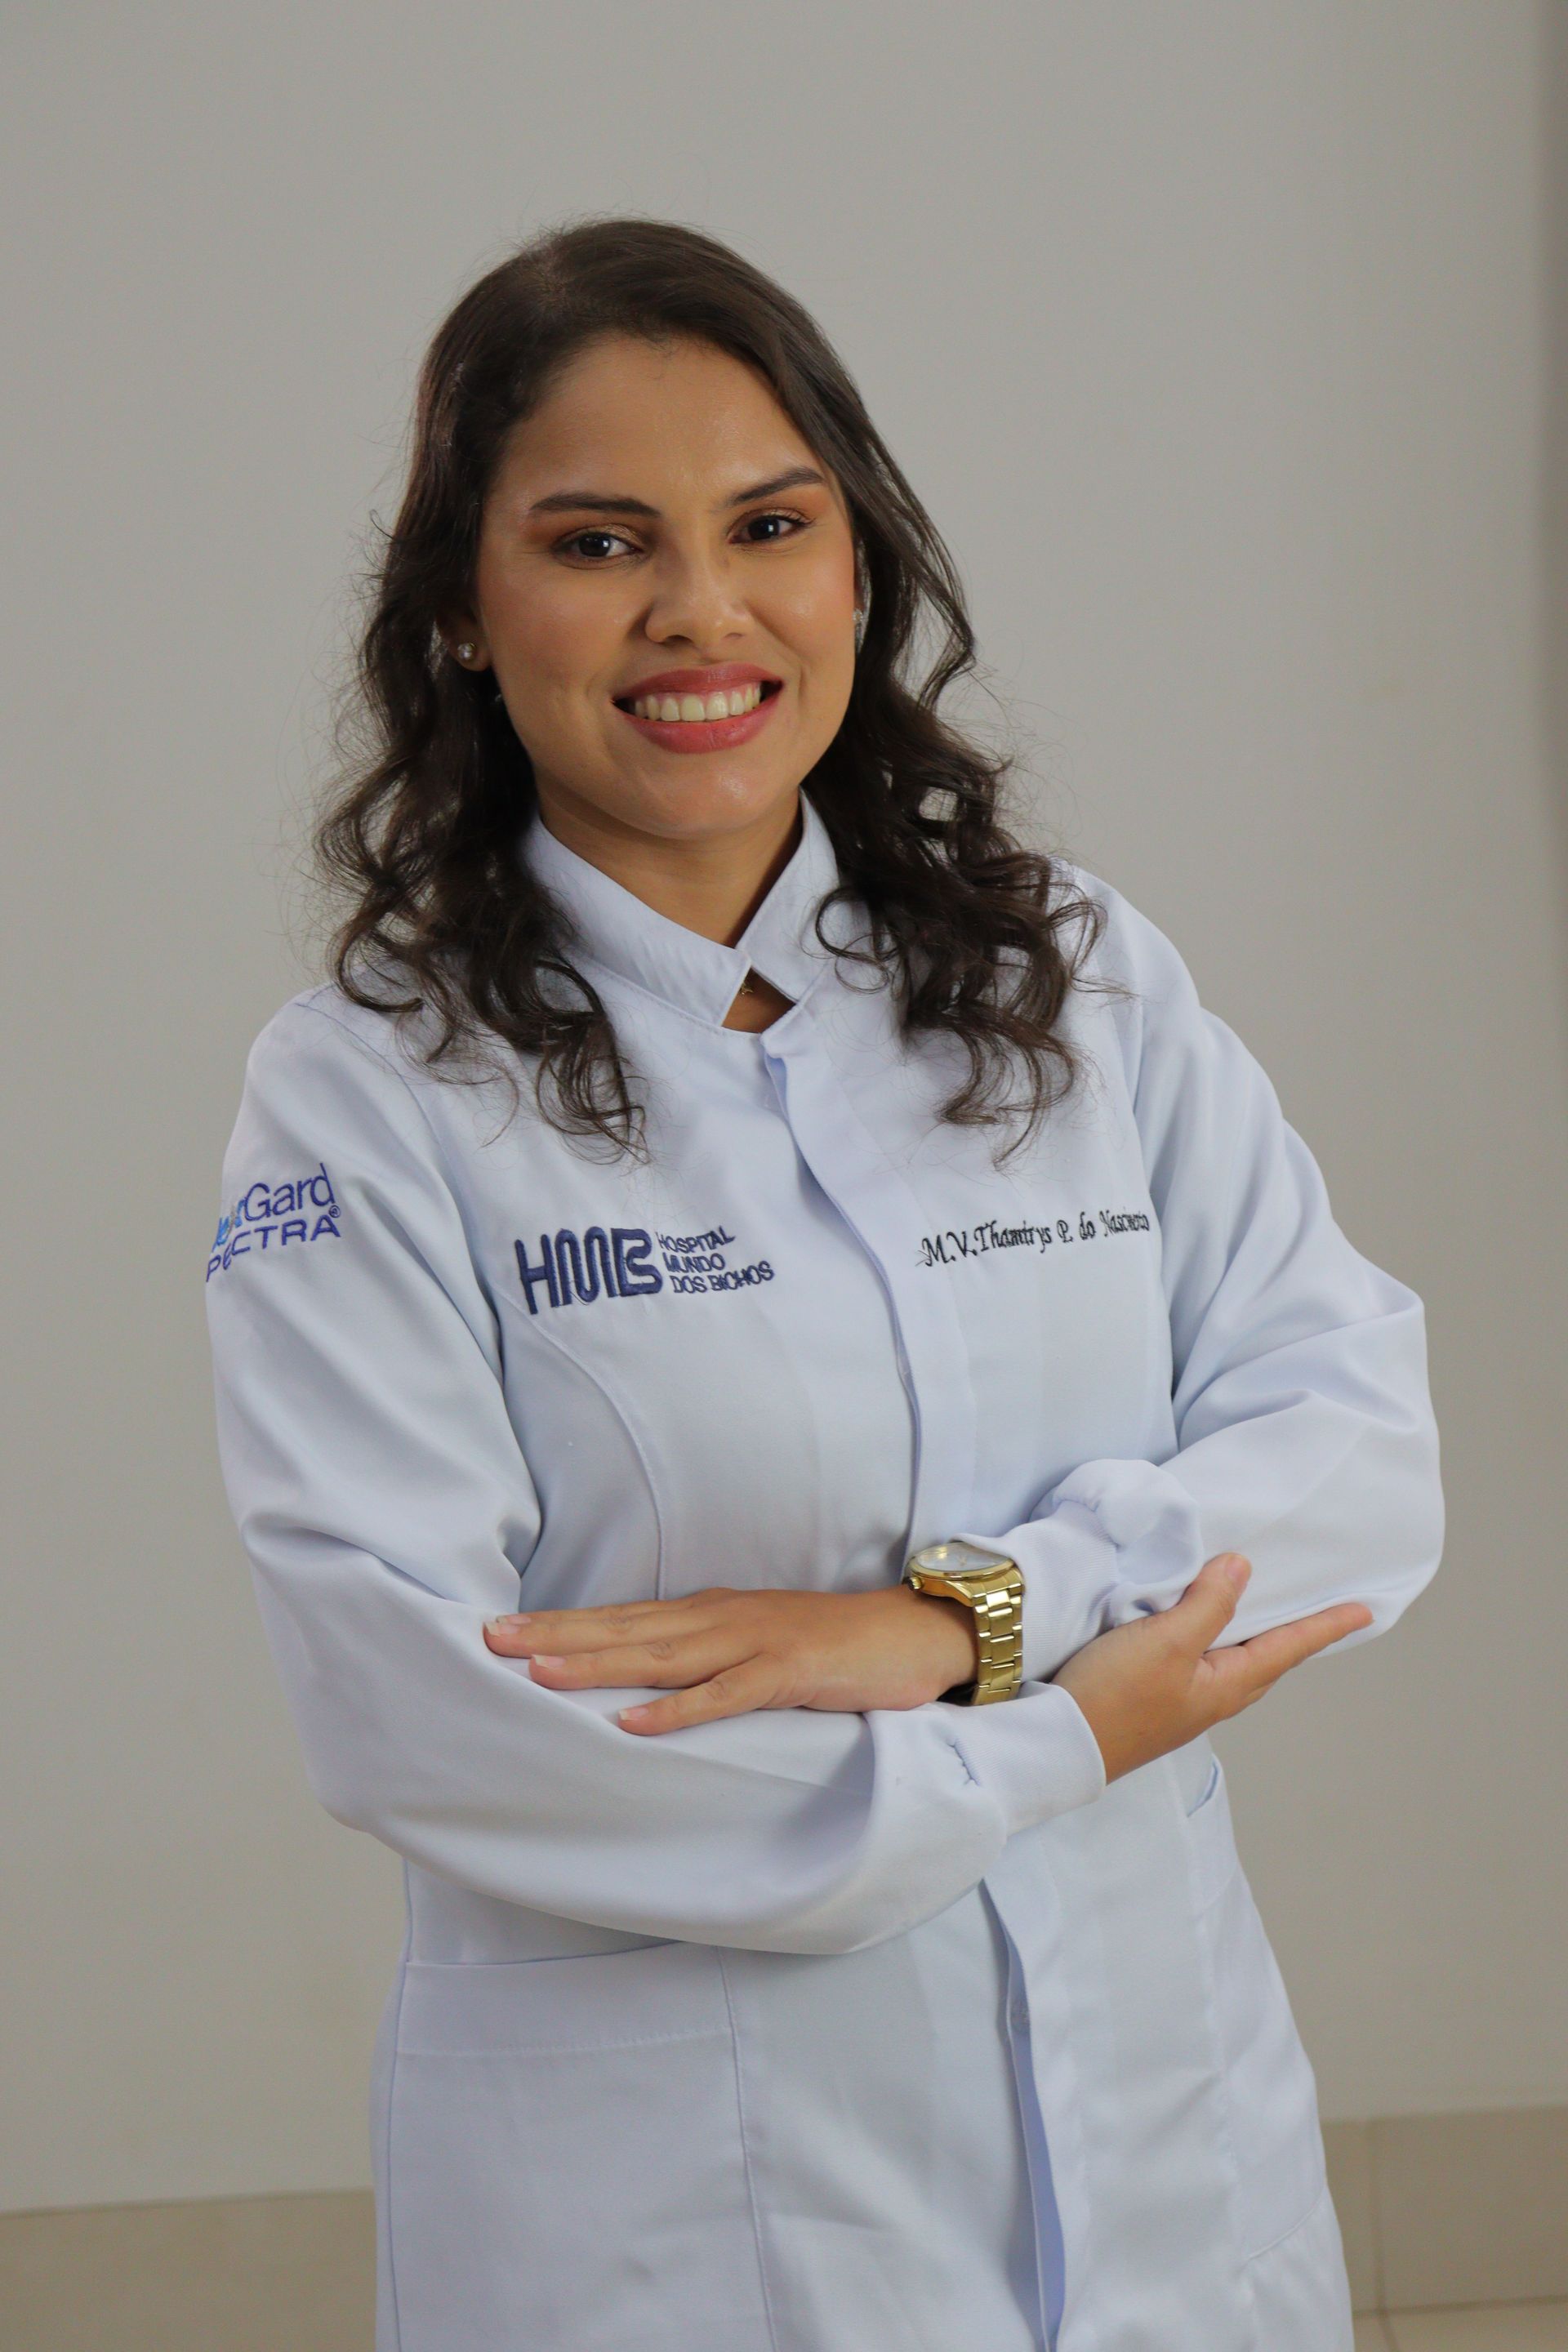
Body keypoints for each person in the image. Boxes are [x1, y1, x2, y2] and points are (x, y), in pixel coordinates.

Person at [203, 217, 1443, 2352]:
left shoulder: (1075, 973)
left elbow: (1351, 1452)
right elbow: (430, 1706)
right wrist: (1052, 1747)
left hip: (1172, 2154)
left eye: (771, 525)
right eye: (598, 544)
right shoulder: (368, 1101)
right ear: (466, 617)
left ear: (855, 570)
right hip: (687, 2222)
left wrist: (959, 1629)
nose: (703, 612)